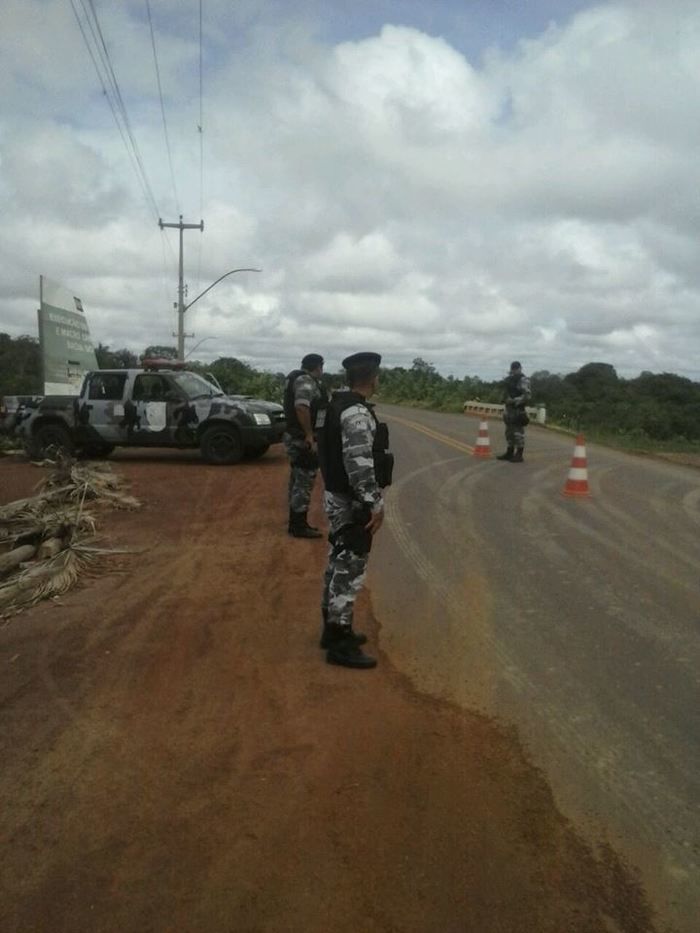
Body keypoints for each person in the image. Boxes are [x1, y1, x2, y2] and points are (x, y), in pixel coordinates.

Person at [317, 352, 394, 669]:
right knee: (349, 569)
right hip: (352, 503)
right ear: (373, 378)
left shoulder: (336, 405)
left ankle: (331, 629)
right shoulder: (356, 414)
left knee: (338, 562)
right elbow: (359, 465)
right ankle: (339, 641)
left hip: (337, 496)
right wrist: (373, 503)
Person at [283, 354, 328, 538]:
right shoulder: (305, 381)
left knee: (297, 478)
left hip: (296, 437)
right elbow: (302, 407)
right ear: (317, 367)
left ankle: (296, 520)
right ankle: (298, 526)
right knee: (304, 480)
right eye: (321, 367)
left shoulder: (295, 378)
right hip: (302, 439)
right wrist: (309, 434)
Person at [497, 361, 531, 462]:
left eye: (516, 368)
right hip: (509, 409)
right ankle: (509, 452)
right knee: (509, 432)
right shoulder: (510, 380)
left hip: (517, 409)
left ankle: (519, 454)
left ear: (520, 368)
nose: (514, 370)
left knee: (518, 432)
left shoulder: (523, 380)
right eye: (513, 368)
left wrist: (514, 400)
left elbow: (527, 396)